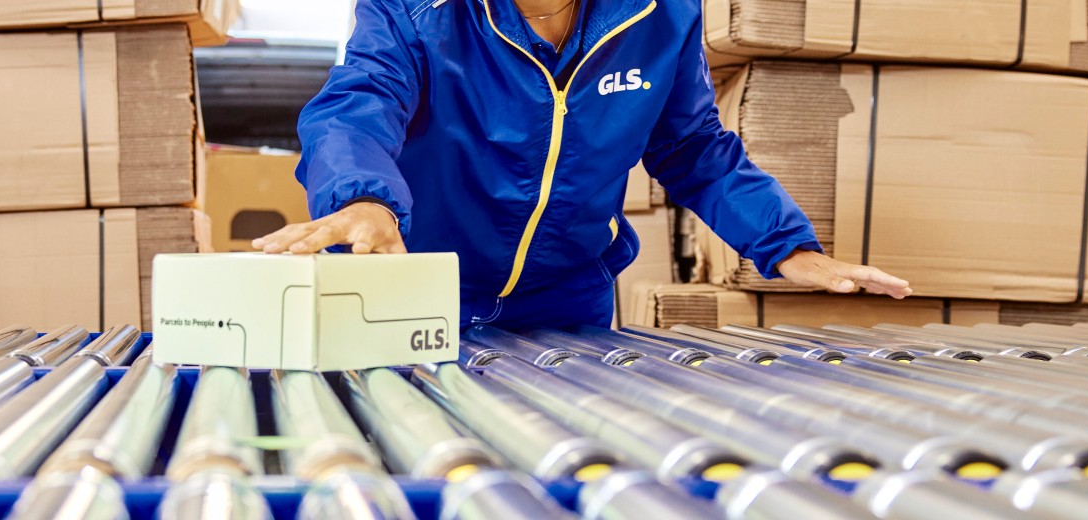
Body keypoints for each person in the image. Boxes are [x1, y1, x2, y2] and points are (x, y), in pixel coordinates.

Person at [252, 0, 912, 330]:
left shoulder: (661, 15)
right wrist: (363, 199)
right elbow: (357, 104)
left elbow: (692, 148)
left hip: (566, 300)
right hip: (407, 287)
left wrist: (789, 247)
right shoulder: (415, 12)